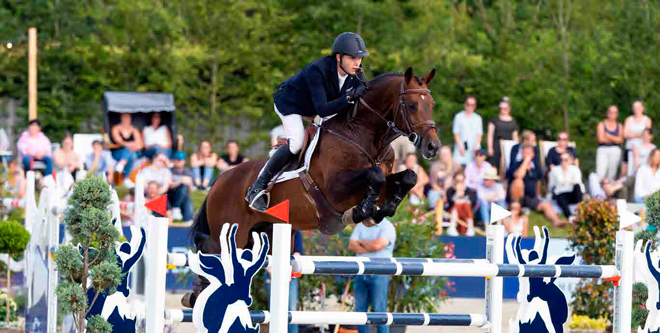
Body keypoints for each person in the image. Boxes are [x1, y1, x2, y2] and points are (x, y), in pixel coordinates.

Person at [246, 32, 370, 212]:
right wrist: (350, 96)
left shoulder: (355, 74)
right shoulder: (317, 70)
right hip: (290, 104)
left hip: (316, 106)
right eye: (352, 58)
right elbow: (322, 109)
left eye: (359, 58)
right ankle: (257, 187)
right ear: (338, 57)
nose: (357, 63)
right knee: (296, 143)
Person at [348, 217, 396, 333]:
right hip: (361, 272)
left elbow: (377, 246)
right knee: (360, 311)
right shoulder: (361, 224)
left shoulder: (387, 226)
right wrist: (371, 246)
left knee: (379, 310)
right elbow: (351, 246)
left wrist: (360, 243)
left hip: (380, 272)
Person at [507, 143, 566, 227]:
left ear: (533, 154)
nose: (526, 155)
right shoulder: (516, 164)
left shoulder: (536, 166)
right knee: (518, 181)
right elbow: (518, 175)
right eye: (524, 153)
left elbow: (538, 181)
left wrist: (537, 195)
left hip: (531, 197)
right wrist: (526, 162)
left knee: (546, 204)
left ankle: (556, 221)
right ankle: (515, 207)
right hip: (517, 197)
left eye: (528, 153)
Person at [264, 231, 303, 333]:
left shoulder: (295, 230)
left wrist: (288, 270)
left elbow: (297, 253)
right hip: (271, 269)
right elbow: (264, 252)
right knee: (274, 309)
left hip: (289, 269)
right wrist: (271, 269)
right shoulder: (267, 228)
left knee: (291, 309)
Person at [548, 153, 584, 218]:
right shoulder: (555, 170)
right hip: (561, 194)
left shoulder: (575, 169)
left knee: (577, 187)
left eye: (565, 160)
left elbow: (577, 182)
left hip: (573, 194)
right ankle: (569, 216)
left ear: (570, 160)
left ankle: (581, 211)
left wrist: (565, 183)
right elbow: (551, 185)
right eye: (561, 159)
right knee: (560, 196)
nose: (563, 162)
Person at [111, 113, 144, 183]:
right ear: (121, 118)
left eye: (127, 117)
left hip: (132, 152)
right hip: (118, 152)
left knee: (130, 153)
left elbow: (140, 144)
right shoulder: (116, 128)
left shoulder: (134, 129)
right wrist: (131, 144)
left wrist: (129, 145)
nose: (126, 119)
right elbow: (118, 141)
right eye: (124, 117)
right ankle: (126, 178)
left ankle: (121, 164)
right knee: (130, 153)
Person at [487, 99, 519, 171]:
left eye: (505, 108)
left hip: (509, 147)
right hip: (496, 146)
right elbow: (490, 135)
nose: (502, 110)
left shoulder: (513, 122)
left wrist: (517, 149)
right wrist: (490, 148)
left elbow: (515, 137)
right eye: (501, 108)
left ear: (509, 109)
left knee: (506, 166)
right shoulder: (494, 120)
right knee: (494, 167)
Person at [452, 96, 483, 166]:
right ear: (465, 105)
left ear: (475, 106)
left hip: (473, 151)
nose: (470, 106)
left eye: (473, 105)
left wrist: (477, 146)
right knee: (458, 170)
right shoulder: (458, 117)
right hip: (460, 150)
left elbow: (479, 134)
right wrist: (460, 146)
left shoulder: (478, 118)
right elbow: (456, 133)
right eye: (468, 104)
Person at [624, 100, 652, 176]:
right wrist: (640, 134)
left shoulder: (647, 119)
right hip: (630, 149)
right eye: (635, 107)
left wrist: (632, 134)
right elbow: (625, 134)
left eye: (638, 107)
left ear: (643, 108)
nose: (637, 109)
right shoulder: (628, 119)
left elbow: (647, 134)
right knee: (627, 173)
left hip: (642, 151)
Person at [596, 105, 624, 180]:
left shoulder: (619, 126)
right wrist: (615, 139)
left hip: (615, 150)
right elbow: (601, 139)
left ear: (617, 114)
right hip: (603, 149)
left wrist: (608, 135)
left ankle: (610, 190)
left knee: (612, 173)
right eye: (611, 112)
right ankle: (598, 190)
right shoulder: (601, 124)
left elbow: (621, 140)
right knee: (600, 172)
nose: (612, 114)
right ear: (607, 113)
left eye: (615, 112)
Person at [445, 171, 478, 236]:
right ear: (454, 181)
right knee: (458, 204)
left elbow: (472, 203)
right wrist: (457, 193)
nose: (460, 182)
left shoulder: (469, 191)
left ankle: (470, 228)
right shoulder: (450, 190)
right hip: (453, 213)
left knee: (466, 204)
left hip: (465, 214)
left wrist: (461, 198)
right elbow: (451, 203)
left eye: (462, 180)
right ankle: (452, 226)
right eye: (457, 181)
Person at [168, 151, 194, 223]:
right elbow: (169, 186)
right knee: (183, 184)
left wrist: (189, 184)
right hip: (171, 195)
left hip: (183, 196)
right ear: (173, 160)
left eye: (180, 160)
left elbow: (191, 191)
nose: (178, 162)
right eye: (177, 159)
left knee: (187, 197)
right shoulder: (169, 171)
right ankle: (177, 209)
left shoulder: (188, 172)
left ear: (184, 161)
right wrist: (180, 181)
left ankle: (187, 220)